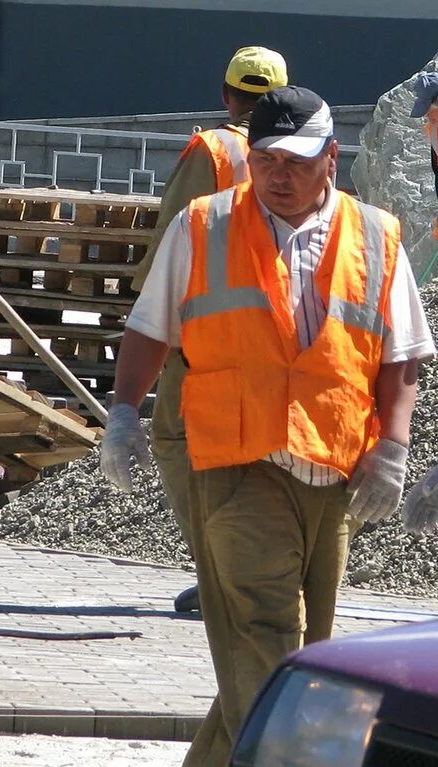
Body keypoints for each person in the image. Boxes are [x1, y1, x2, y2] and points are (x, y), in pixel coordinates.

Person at [100, 86, 435, 766]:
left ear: (331, 160)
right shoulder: (204, 225)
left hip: (334, 475)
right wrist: (124, 413)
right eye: (266, 158)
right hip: (236, 466)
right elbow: (148, 328)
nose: (278, 174)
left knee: (303, 656)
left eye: (296, 160)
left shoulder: (375, 235)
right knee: (267, 633)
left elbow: (403, 353)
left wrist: (394, 446)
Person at [131, 46, 287, 614]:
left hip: (203, 326)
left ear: (226, 95)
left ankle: (226, 571)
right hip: (271, 325)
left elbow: (178, 232)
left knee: (177, 440)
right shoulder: (298, 154)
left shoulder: (212, 147)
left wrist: (153, 320)